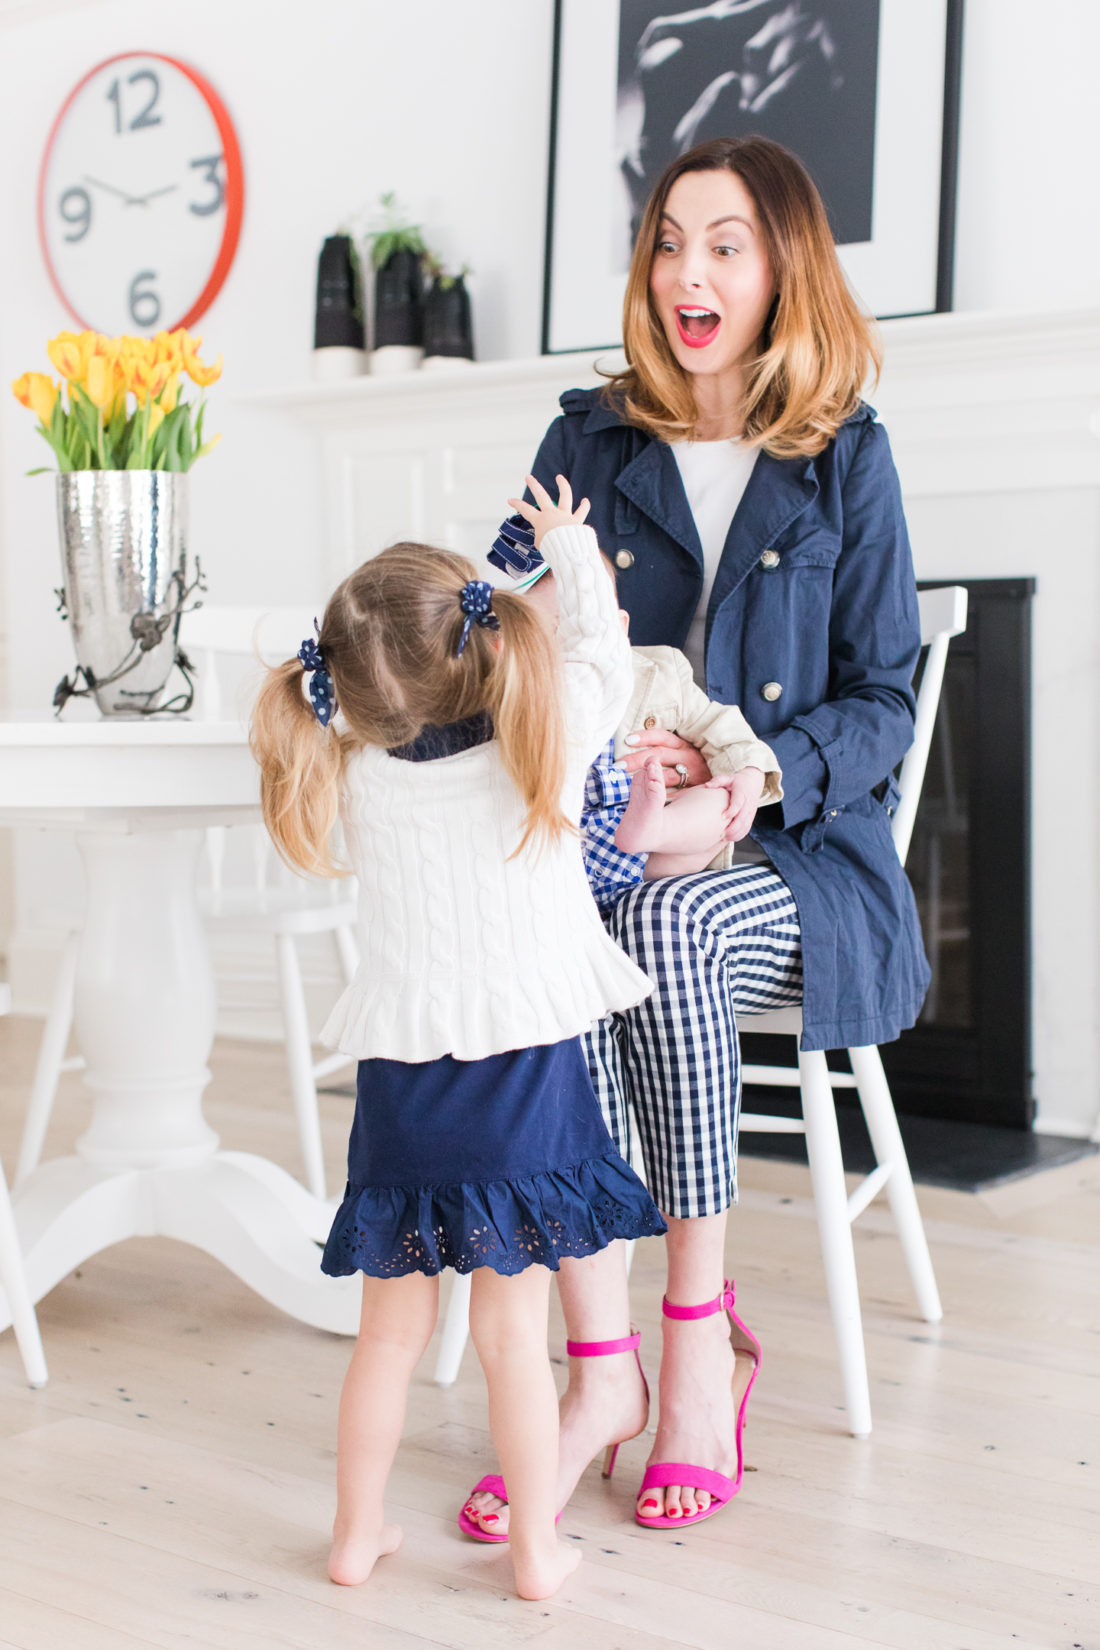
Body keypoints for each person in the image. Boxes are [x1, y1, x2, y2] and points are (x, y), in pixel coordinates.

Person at [463, 134, 928, 1536]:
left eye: (724, 242)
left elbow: (888, 697)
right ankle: (586, 1364)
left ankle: (693, 1339)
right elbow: (498, 633)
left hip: (801, 857)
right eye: (670, 240)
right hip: (608, 840)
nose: (688, 272)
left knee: (663, 925)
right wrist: (596, 721)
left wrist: (753, 781)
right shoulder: (587, 441)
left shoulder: (847, 453)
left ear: (784, 263)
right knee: (556, 934)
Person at [249, 476, 667, 1601]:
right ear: (477, 647)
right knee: (509, 1332)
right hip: (523, 1072)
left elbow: (352, 690)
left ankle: (352, 1537)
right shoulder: (540, 741)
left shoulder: (352, 769)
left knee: (386, 1331)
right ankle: (535, 1552)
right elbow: (600, 663)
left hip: (401, 1079)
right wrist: (568, 552)